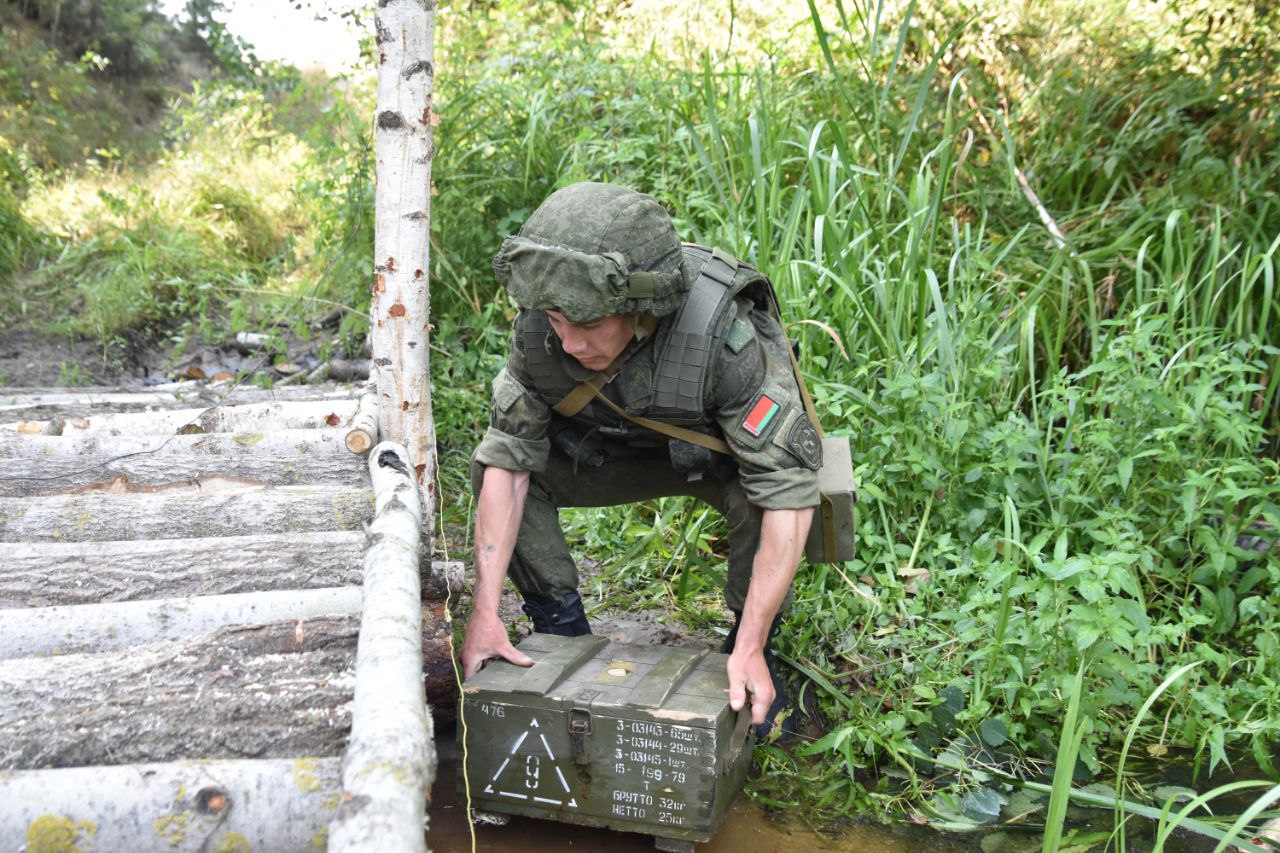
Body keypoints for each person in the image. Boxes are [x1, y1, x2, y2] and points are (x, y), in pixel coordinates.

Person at [459, 182, 821, 737]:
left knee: (762, 497)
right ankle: (560, 634)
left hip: (717, 461)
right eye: (557, 322)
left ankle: (748, 653)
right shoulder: (539, 329)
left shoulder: (724, 336)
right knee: (497, 464)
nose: (570, 343)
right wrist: (484, 612)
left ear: (641, 307)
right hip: (602, 454)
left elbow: (787, 489)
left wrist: (751, 643)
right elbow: (509, 463)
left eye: (588, 325)